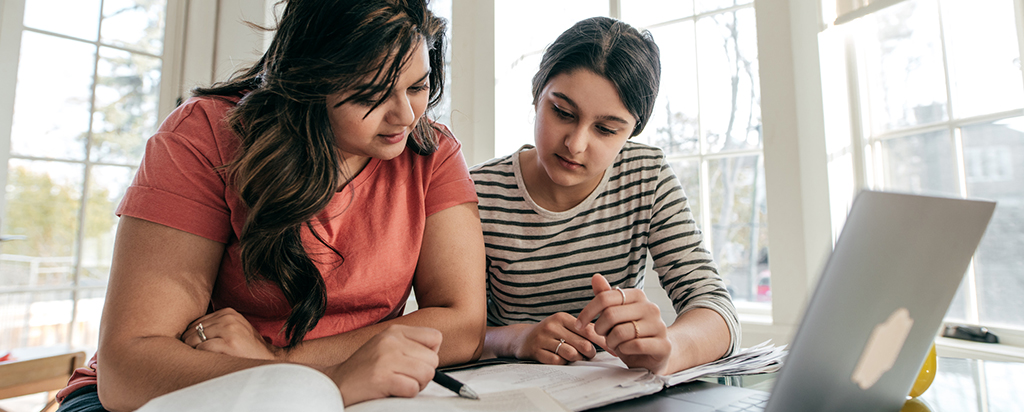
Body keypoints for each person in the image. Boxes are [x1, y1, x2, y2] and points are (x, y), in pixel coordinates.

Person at [55, 1, 486, 411]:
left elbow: (462, 324)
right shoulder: (208, 135)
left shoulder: (432, 151)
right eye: (370, 95)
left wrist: (276, 361)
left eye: (418, 85)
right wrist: (331, 379)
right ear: (310, 80)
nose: (405, 116)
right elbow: (127, 369)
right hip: (166, 397)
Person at [471, 16, 740, 376]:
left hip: (613, 391)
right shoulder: (478, 191)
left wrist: (669, 349)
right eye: (562, 112)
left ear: (632, 131)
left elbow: (715, 307)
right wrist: (515, 339)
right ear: (537, 94)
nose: (576, 144)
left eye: (606, 129)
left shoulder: (646, 176)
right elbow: (450, 329)